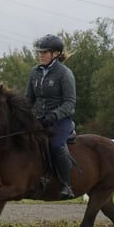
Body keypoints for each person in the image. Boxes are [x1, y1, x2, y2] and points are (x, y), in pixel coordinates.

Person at [24, 34, 76, 200]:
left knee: (55, 145)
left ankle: (66, 185)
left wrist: (54, 115)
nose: (41, 55)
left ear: (56, 54)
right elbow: (28, 99)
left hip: (60, 121)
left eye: (45, 52)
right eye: (39, 52)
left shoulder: (64, 74)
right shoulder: (34, 72)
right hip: (39, 119)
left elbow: (70, 103)